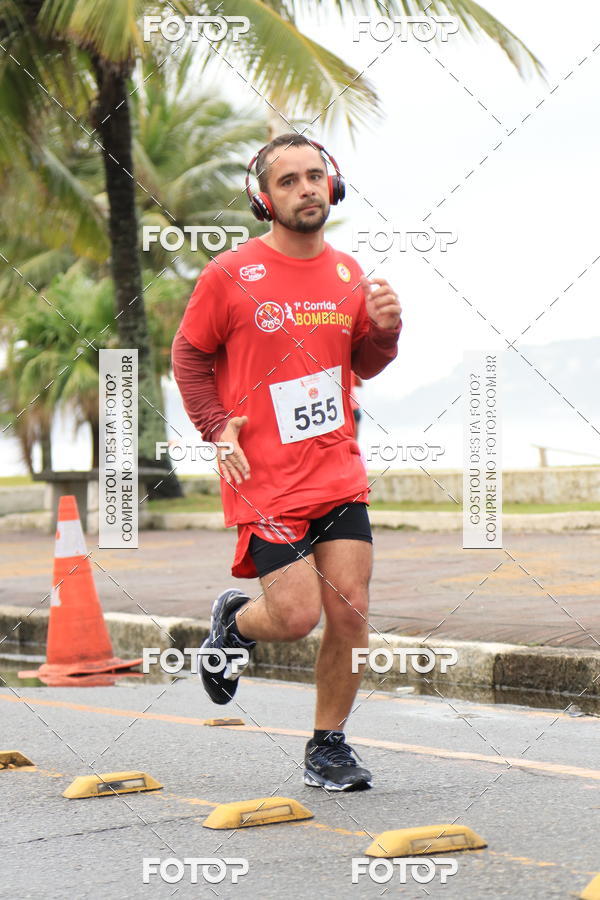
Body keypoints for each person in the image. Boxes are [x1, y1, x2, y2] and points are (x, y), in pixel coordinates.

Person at [171, 133, 402, 791]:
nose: (305, 188)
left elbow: (361, 364)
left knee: (351, 608)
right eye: (289, 181)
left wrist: (386, 332)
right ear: (263, 198)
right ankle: (234, 626)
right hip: (264, 474)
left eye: (314, 176)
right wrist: (217, 428)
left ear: (333, 185)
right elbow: (188, 355)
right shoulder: (230, 275)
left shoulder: (348, 275)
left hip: (336, 468)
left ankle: (328, 746)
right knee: (295, 615)